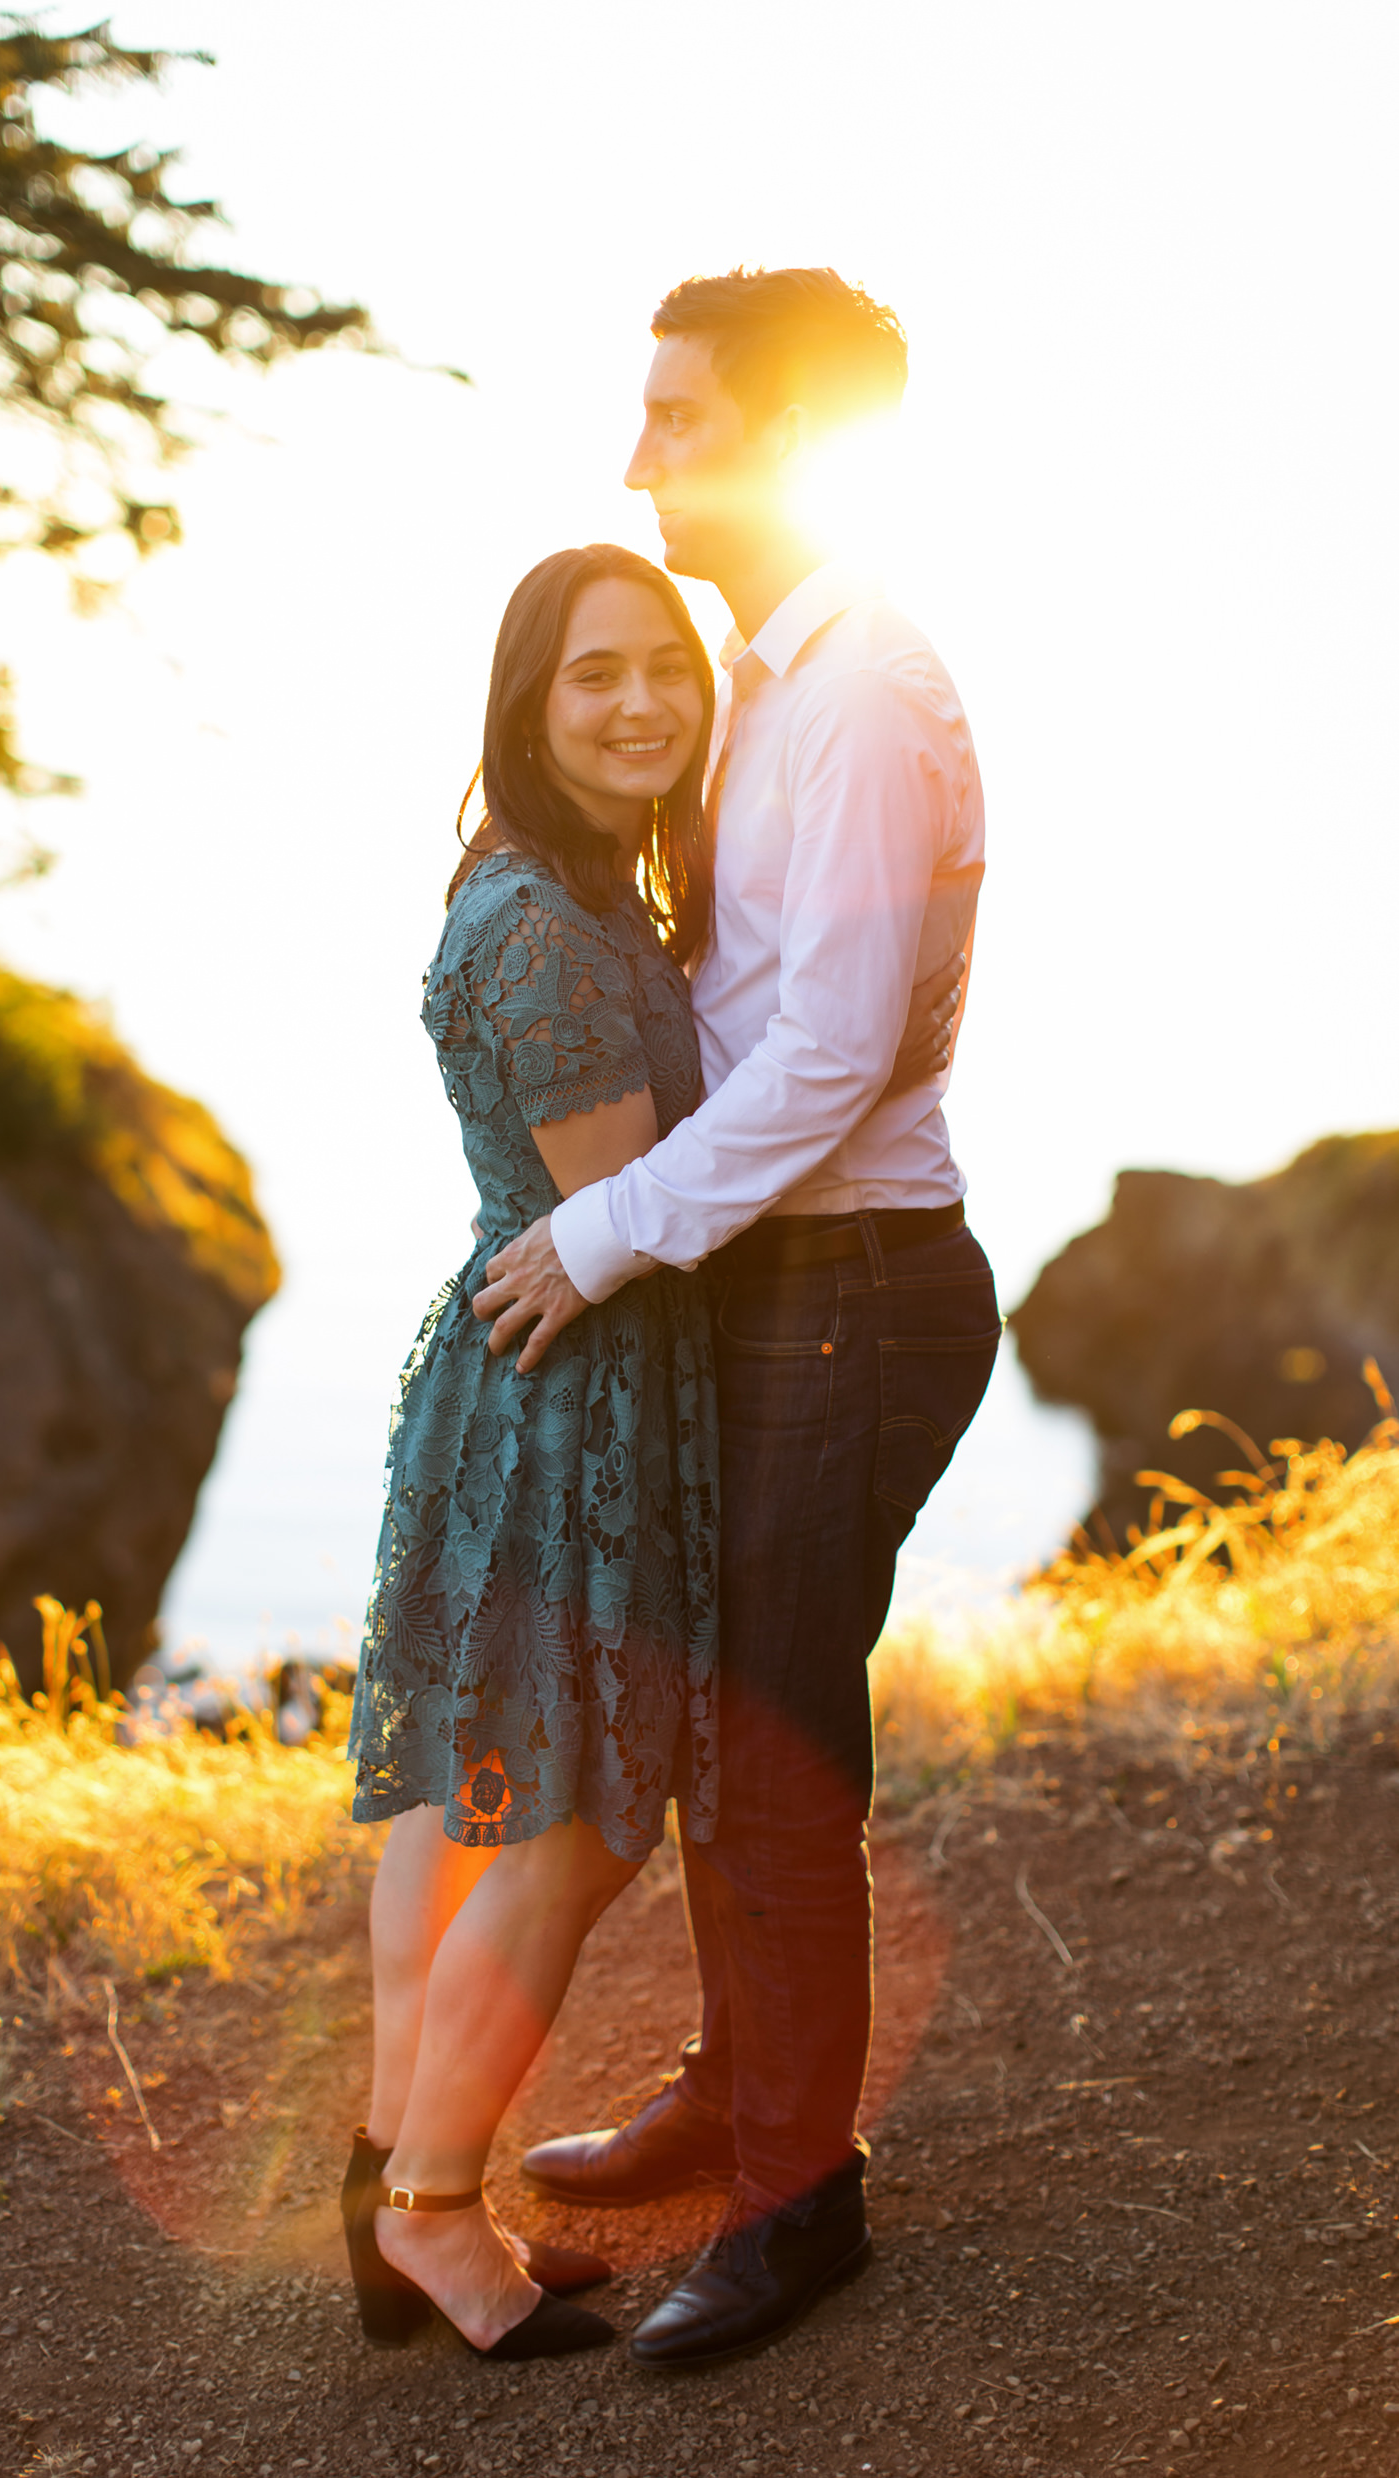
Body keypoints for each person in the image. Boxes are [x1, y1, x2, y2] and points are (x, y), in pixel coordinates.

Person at [342, 537, 953, 2364]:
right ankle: (434, 2208)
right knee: (577, 1824)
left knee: (466, 1798)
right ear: (528, 704)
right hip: (581, 1398)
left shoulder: (575, 884)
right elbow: (618, 1204)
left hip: (539, 1377)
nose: (641, 704)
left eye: (666, 672)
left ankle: (392, 2164)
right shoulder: (541, 923)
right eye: (592, 675)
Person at [477, 268, 1000, 2372]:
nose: (637, 459)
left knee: (774, 1756)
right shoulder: (768, 683)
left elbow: (834, 1054)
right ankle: (738, 2085)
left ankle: (799, 2200)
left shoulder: (861, 691)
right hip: (780, 1286)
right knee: (727, 1728)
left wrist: (598, 1237)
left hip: (849, 1294)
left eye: (677, 421)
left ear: (786, 441)